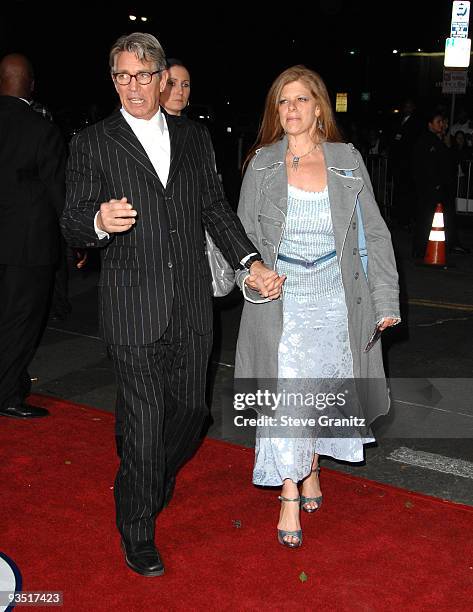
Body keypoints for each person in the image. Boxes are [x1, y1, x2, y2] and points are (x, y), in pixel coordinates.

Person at [60, 32, 283, 577]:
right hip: (132, 306)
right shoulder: (94, 141)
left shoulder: (193, 137)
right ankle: (137, 528)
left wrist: (248, 261)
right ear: (113, 80)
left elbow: (214, 209)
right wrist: (96, 223)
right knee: (143, 418)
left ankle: (145, 476)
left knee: (192, 412)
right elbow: (71, 220)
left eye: (142, 75)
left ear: (162, 79)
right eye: (122, 76)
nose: (133, 87)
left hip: (189, 304)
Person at [234, 65, 400, 548]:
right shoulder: (262, 163)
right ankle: (290, 492)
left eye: (301, 100)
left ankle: (308, 470)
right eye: (283, 102)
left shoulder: (346, 159)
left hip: (334, 297)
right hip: (280, 300)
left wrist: (383, 299)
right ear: (275, 110)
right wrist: (251, 276)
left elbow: (374, 234)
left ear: (318, 107)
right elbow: (238, 238)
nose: (291, 110)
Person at [0, 54, 66, 419]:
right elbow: (58, 190)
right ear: (31, 85)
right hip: (28, 247)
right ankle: (7, 394)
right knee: (20, 322)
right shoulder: (41, 129)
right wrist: (75, 238)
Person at [411, 109, 468, 257]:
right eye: (438, 122)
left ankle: (445, 245)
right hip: (431, 188)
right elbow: (426, 165)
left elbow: (449, 161)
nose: (442, 125)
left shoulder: (441, 140)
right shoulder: (426, 141)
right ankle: (420, 249)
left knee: (441, 218)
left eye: (442, 122)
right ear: (430, 124)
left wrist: (449, 146)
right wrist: (434, 183)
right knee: (426, 217)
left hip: (442, 187)